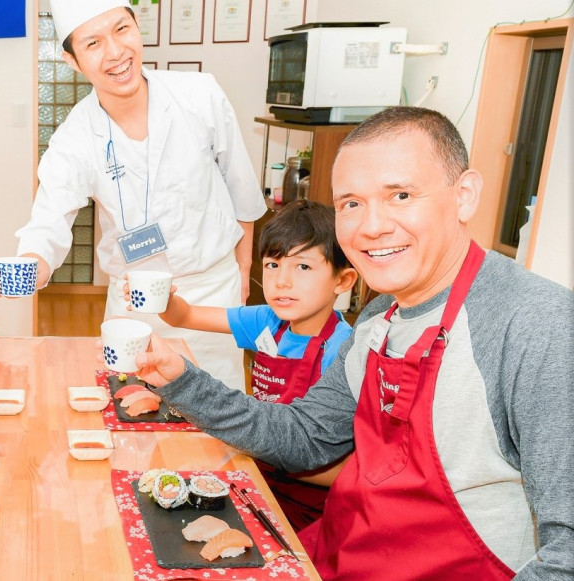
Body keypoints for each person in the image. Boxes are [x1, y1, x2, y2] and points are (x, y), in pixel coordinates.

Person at [130, 107, 574, 579]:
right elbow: (304, 438)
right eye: (351, 203)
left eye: (400, 195)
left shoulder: (538, 326)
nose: (372, 226)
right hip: (338, 554)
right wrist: (182, 381)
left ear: (464, 196)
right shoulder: (378, 318)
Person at [0, 0, 266, 390]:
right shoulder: (74, 137)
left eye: (122, 29)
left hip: (209, 293)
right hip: (133, 304)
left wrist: (242, 270)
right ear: (72, 60)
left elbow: (241, 187)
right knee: (131, 413)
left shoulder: (199, 95)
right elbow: (49, 222)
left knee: (218, 418)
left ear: (137, 27)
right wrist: (29, 268)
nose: (116, 52)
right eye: (93, 43)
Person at [132, 199, 356, 530]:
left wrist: (263, 452)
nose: (283, 281)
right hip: (258, 472)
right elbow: (186, 315)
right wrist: (161, 297)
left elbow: (349, 465)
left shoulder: (345, 349)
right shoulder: (266, 321)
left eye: (303, 267)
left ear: (343, 280)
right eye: (272, 265)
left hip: (311, 504)